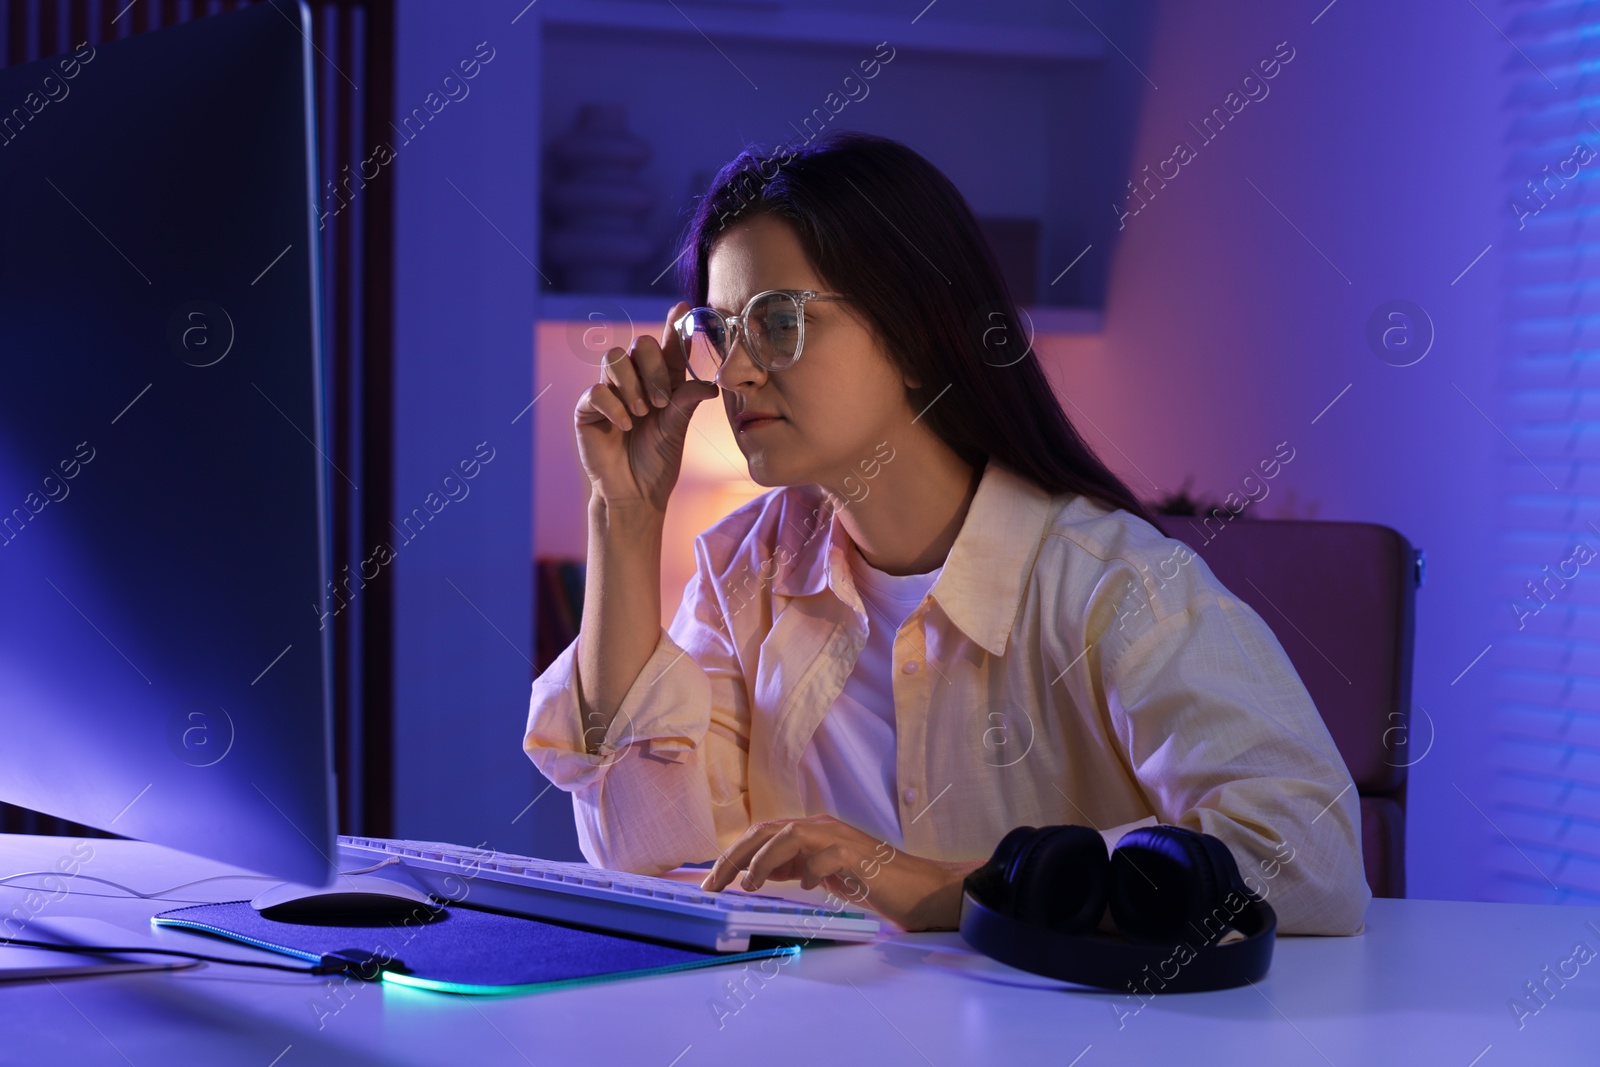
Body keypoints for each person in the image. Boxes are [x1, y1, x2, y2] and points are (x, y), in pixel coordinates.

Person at [523, 131, 1370, 937]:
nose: (738, 370)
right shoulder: (743, 572)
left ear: (920, 333)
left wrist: (952, 888)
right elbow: (646, 855)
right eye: (718, 332)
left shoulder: (1111, 583)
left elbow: (1311, 856)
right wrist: (624, 516)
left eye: (779, 321)